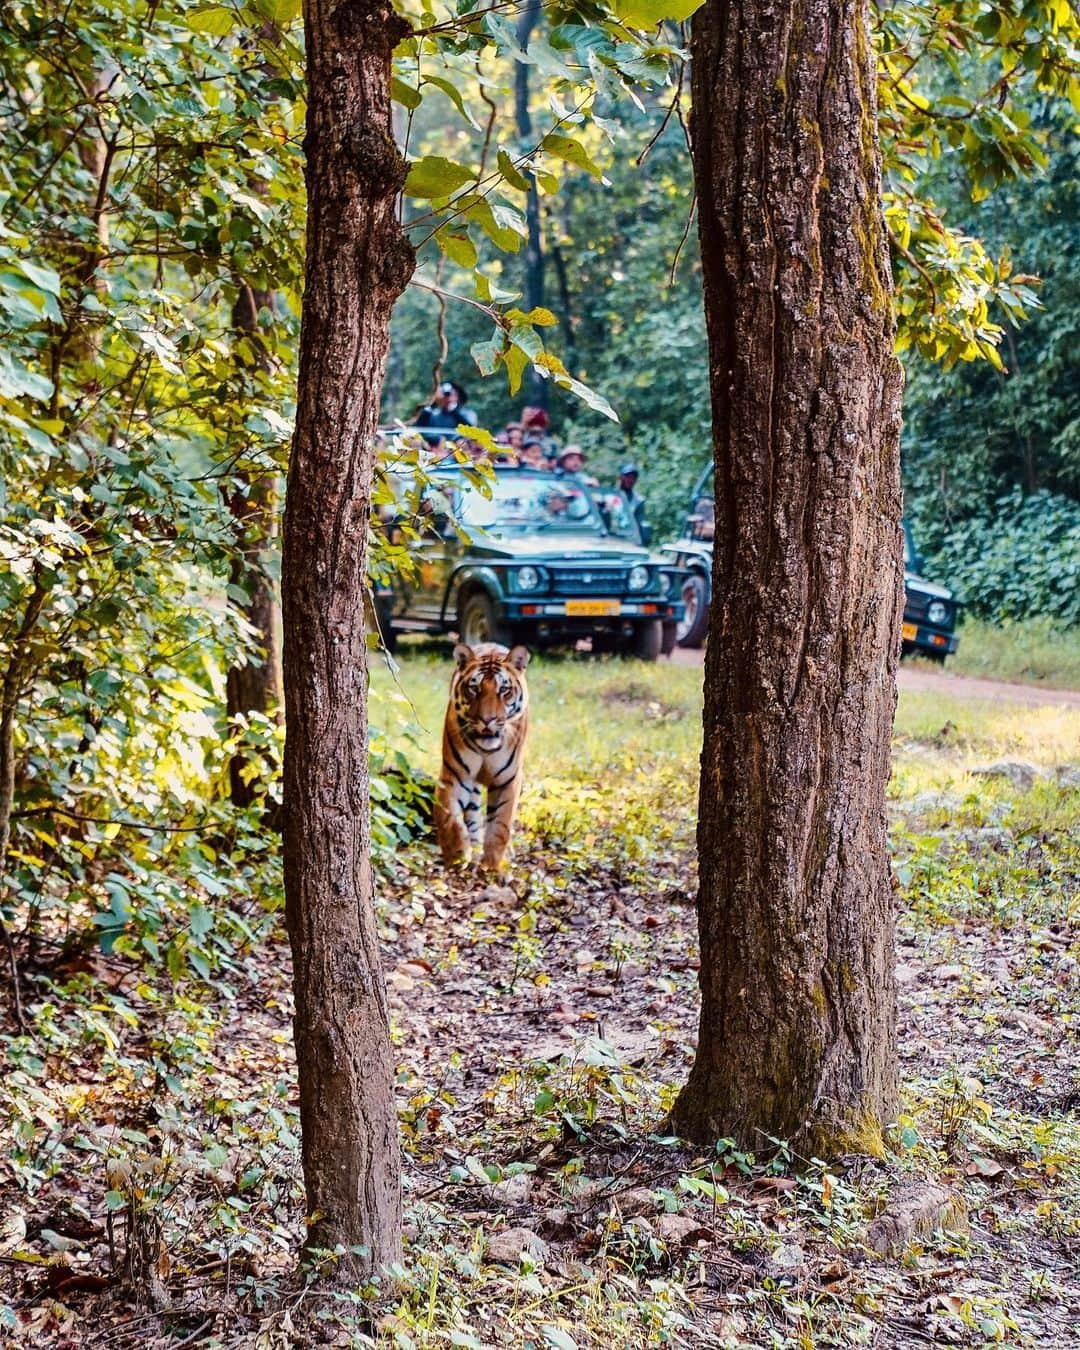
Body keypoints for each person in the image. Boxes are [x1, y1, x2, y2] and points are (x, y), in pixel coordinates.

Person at [615, 462, 650, 543]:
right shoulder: (610, 496)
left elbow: (640, 523)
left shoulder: (638, 501)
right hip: (610, 536)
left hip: (629, 539)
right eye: (628, 477)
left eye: (633, 478)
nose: (630, 480)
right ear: (621, 477)